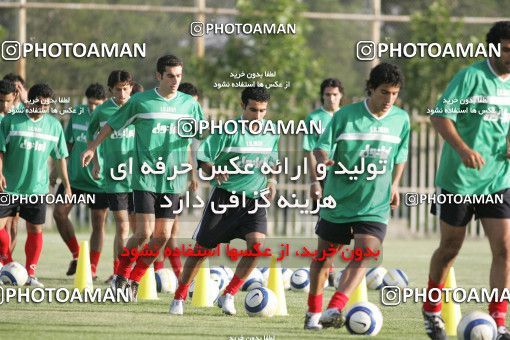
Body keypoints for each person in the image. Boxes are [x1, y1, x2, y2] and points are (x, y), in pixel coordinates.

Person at [82, 55, 204, 301]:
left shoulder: (189, 105)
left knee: (162, 236)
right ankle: (121, 275)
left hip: (172, 181)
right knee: (144, 233)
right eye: (170, 75)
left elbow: (200, 137)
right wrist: (93, 147)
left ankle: (134, 280)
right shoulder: (141, 101)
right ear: (158, 76)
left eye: (179, 75)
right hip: (145, 178)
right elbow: (112, 124)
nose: (175, 80)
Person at [305, 63, 409, 330]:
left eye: (394, 93)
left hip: (374, 203)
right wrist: (324, 159)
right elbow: (321, 147)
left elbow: (400, 157)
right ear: (370, 88)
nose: (389, 100)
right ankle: (313, 313)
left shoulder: (401, 120)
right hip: (339, 200)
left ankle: (335, 306)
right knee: (324, 258)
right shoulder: (345, 116)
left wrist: (395, 185)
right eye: (384, 92)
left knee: (367, 252)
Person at [423, 21, 510, 340]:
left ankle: (499, 322)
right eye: (507, 49)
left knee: (504, 248)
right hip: (458, 180)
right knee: (449, 248)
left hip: (498, 180)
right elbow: (439, 115)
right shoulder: (470, 76)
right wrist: (463, 149)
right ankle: (432, 312)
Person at [169, 86, 279, 316]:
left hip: (254, 201)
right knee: (201, 251)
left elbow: (272, 161)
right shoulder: (227, 130)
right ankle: (179, 297)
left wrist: (271, 181)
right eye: (253, 110)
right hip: (225, 199)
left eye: (262, 111)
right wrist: (214, 168)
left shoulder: (271, 132)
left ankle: (228, 294)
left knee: (256, 248)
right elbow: (203, 157)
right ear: (242, 107)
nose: (257, 116)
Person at [0, 83, 72, 287]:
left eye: (46, 106)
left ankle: (31, 274)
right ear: (29, 101)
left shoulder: (54, 126)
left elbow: (60, 158)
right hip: (9, 186)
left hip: (37, 189)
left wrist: (67, 185)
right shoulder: (10, 122)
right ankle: (7, 261)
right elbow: (0, 150)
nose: (42, 108)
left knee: (35, 230)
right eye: (39, 104)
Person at [52, 83, 109, 279]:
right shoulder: (77, 113)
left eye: (98, 104)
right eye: (90, 104)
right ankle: (77, 255)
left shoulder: (111, 115)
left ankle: (91, 269)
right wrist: (55, 170)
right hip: (74, 179)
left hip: (98, 182)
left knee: (98, 224)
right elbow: (67, 143)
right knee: (59, 213)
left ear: (104, 102)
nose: (93, 108)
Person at [86, 71, 135, 283]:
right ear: (110, 90)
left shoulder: (139, 107)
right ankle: (119, 273)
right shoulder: (102, 111)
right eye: (118, 89)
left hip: (141, 176)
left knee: (142, 230)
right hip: (115, 177)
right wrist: (97, 161)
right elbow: (92, 136)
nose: (122, 93)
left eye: (126, 88)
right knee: (122, 227)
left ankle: (135, 271)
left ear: (131, 88)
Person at [153, 82, 199, 278]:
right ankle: (158, 271)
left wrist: (192, 173)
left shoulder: (186, 122)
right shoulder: (167, 119)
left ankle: (169, 271)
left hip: (176, 180)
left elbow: (187, 148)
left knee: (171, 230)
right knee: (159, 231)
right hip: (156, 179)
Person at [303, 78, 344, 287]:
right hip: (325, 176)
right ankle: (328, 266)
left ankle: (327, 264)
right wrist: (315, 182)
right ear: (322, 96)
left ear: (341, 96)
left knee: (347, 223)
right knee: (326, 221)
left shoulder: (348, 117)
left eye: (335, 94)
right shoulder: (314, 118)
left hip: (347, 176)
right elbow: (309, 150)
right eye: (327, 94)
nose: (331, 98)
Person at [0, 80, 17, 265]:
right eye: (0, 101)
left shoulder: (15, 121)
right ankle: (8, 261)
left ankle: (7, 261)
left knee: (10, 224)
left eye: (7, 101)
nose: (4, 105)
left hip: (8, 180)